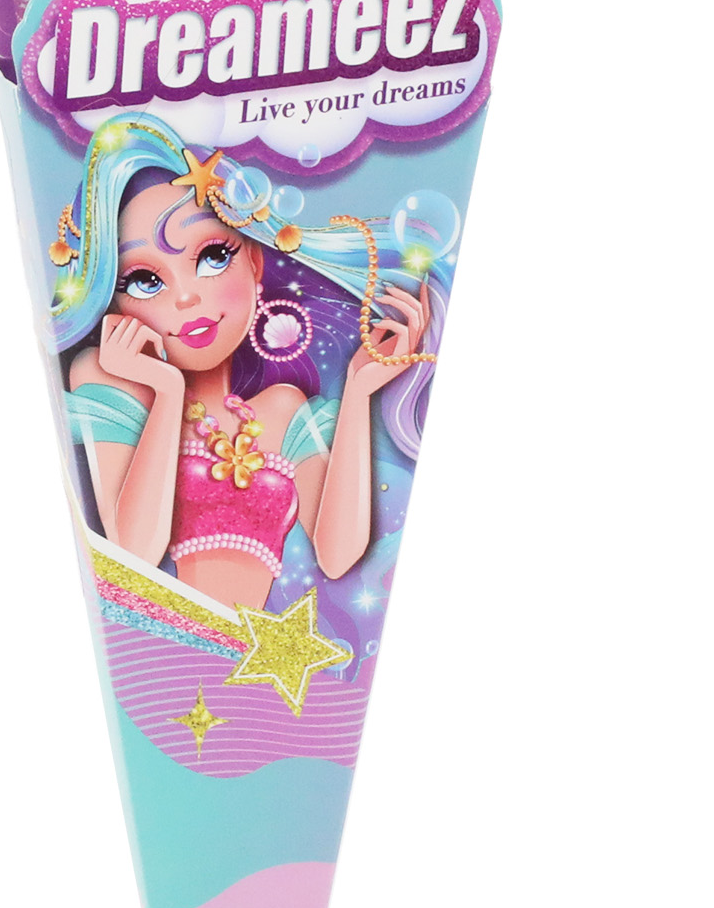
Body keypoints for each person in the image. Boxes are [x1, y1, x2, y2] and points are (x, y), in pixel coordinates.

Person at [55, 115, 441, 613]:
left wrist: (359, 389)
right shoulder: (106, 379)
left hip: (263, 645)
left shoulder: (280, 409)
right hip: (163, 639)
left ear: (255, 264)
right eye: (145, 281)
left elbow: (339, 554)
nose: (187, 297)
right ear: (110, 298)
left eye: (214, 255)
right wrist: (167, 392)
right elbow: (133, 555)